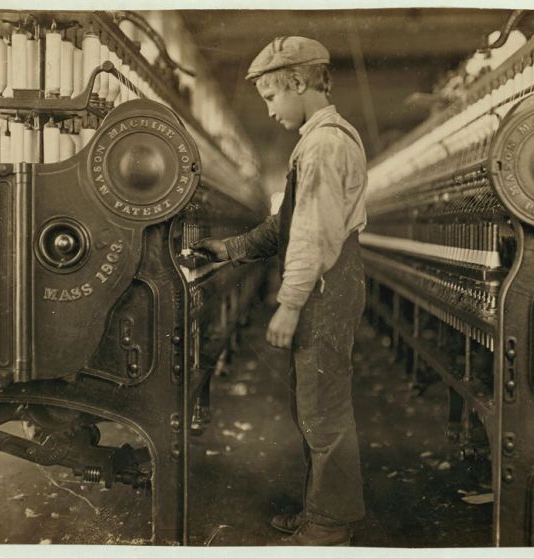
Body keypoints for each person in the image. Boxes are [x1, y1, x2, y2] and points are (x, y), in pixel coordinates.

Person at [192, 36, 368, 546]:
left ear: (297, 82)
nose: (268, 110)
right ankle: (324, 510)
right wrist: (228, 249)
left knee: (322, 405)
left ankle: (329, 529)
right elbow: (282, 228)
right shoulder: (315, 141)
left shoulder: (324, 145)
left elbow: (311, 234)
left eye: (271, 96)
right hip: (330, 276)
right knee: (314, 402)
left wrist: (289, 305)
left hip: (326, 282)